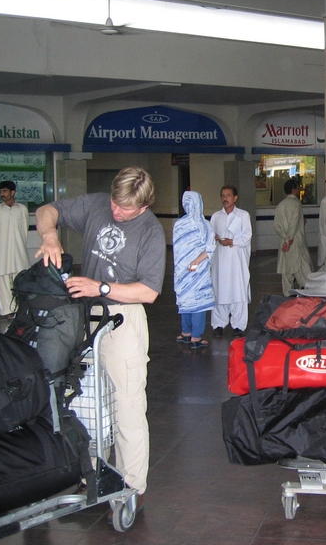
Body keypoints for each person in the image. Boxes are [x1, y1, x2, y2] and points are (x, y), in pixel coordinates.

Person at [35, 167, 166, 514]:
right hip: (85, 315)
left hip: (123, 318)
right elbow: (48, 211)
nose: (117, 212)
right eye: (115, 203)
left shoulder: (151, 230)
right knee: (85, 398)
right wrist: (49, 234)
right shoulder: (97, 205)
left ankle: (130, 484)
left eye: (126, 209)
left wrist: (101, 288)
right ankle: (91, 470)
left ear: (144, 205)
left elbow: (149, 291)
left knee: (127, 404)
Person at [173, 191, 215, 349]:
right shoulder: (204, 224)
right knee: (199, 303)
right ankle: (196, 337)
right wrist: (196, 261)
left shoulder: (179, 224)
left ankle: (185, 333)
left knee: (185, 300)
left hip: (182, 272)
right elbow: (210, 249)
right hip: (198, 271)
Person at [210, 186, 252, 337]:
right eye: (223, 195)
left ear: (235, 198)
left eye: (228, 195)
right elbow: (210, 236)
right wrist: (214, 238)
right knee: (220, 290)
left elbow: (247, 235)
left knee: (238, 290)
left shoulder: (243, 215)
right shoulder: (216, 217)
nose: (225, 198)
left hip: (237, 260)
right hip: (220, 260)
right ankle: (219, 324)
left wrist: (232, 241)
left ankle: (238, 325)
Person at [0, 180, 31, 317]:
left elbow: (24, 231)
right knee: (3, 281)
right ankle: (8, 311)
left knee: (20, 280)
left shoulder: (22, 209)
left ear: (12, 192)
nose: (2, 194)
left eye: (5, 191)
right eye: (1, 191)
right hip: (1, 251)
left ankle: (21, 309)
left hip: (18, 251)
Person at [274, 179, 312, 296]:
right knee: (303, 270)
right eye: (297, 188)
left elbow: (276, 226)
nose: (299, 189)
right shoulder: (296, 204)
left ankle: (287, 296)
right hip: (295, 242)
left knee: (286, 272)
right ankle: (310, 293)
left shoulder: (280, 205)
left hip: (285, 243)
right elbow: (294, 224)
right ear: (294, 190)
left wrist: (284, 239)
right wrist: (289, 240)